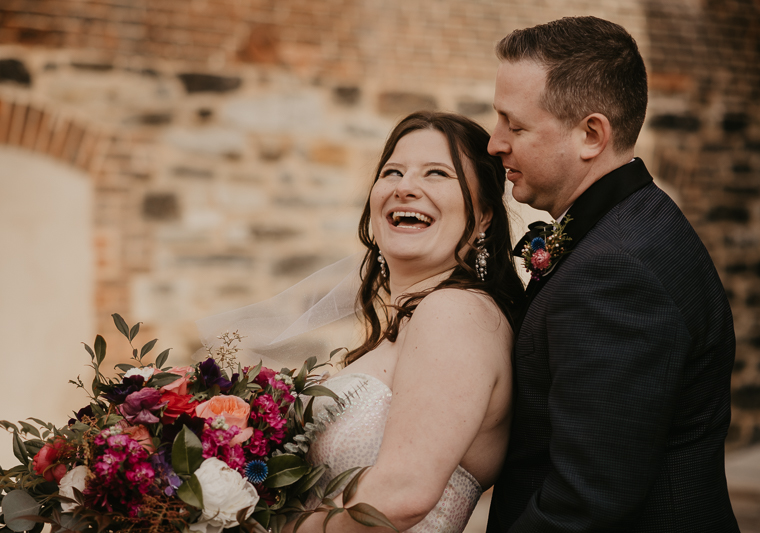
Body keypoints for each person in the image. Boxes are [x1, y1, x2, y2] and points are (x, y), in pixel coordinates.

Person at [486, 16, 739, 532]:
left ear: (591, 134)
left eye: (514, 125)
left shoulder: (617, 273)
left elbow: (585, 503)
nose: (494, 143)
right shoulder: (632, 224)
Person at [283, 111, 525, 532]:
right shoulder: (410, 324)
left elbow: (402, 493)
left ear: (484, 215)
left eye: (436, 174)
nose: (405, 187)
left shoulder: (456, 311)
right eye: (392, 171)